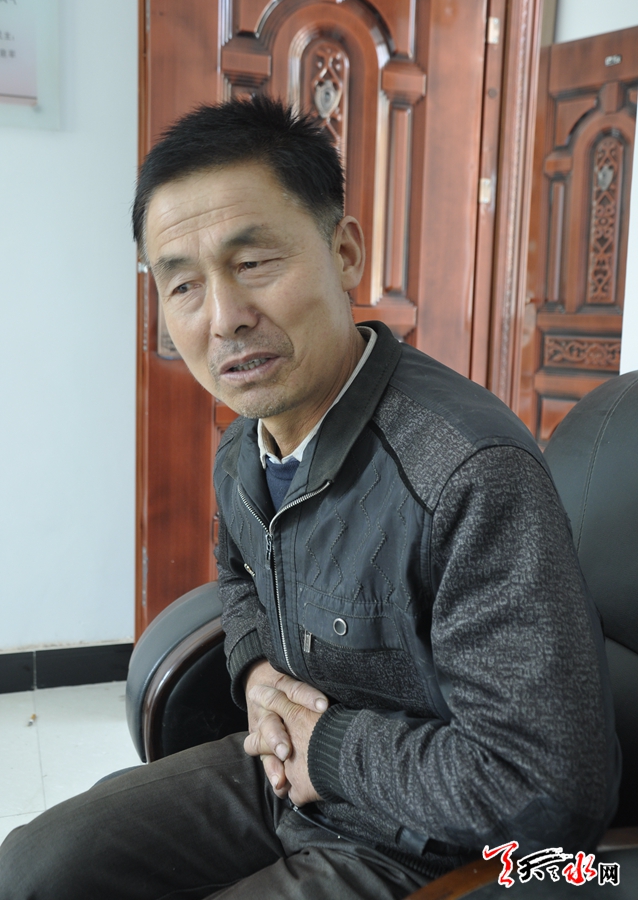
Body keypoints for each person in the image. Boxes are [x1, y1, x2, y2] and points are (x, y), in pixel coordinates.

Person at [0, 97, 620, 899]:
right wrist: (258, 673)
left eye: (254, 263)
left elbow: (549, 793)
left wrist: (326, 749)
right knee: (31, 868)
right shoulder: (243, 447)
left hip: (424, 840)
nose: (224, 319)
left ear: (345, 251)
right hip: (284, 776)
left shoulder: (468, 473)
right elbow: (239, 583)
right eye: (183, 285)